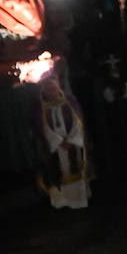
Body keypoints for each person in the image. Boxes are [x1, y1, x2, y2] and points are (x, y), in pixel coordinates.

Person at [35, 73, 91, 209]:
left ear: (58, 84)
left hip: (73, 144)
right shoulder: (39, 108)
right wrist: (59, 142)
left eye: (53, 83)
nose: (51, 87)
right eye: (47, 85)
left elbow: (79, 121)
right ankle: (62, 202)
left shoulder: (70, 101)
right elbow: (40, 127)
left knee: (75, 169)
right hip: (54, 147)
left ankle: (79, 200)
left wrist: (72, 140)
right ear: (43, 88)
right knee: (57, 172)